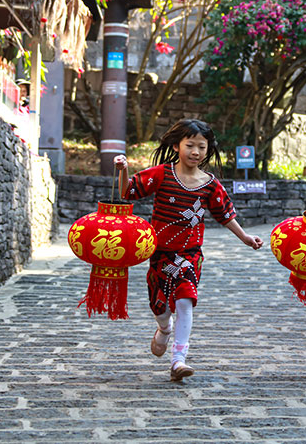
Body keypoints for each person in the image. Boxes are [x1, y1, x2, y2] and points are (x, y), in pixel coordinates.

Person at [113, 119, 263, 381]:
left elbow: (225, 215)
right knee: (159, 306)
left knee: (185, 301)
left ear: (208, 150)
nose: (196, 152)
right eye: (190, 145)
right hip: (159, 254)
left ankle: (179, 360)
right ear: (176, 145)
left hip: (190, 256)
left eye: (202, 147)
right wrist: (123, 169)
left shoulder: (210, 185)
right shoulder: (161, 174)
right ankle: (163, 328)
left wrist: (245, 238)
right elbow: (128, 191)